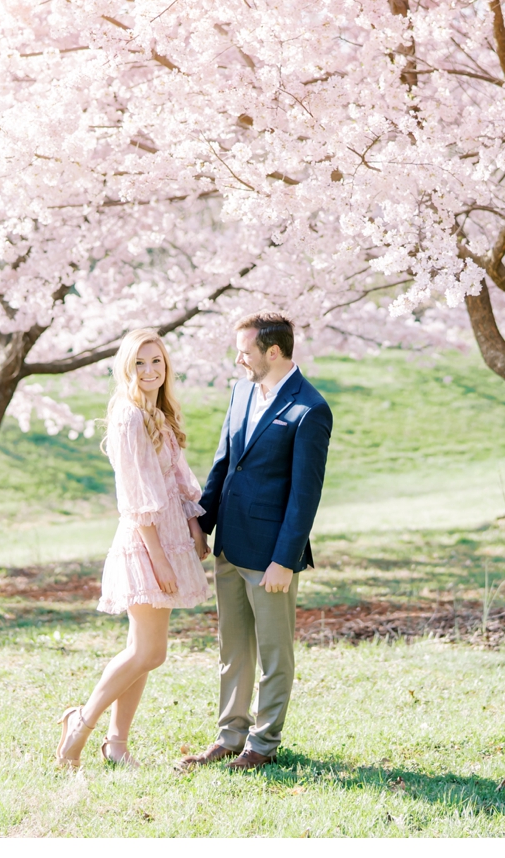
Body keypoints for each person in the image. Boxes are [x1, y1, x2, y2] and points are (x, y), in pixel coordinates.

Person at [178, 311, 332, 772]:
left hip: (270, 558)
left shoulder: (311, 409)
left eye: (245, 351)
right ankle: (230, 736)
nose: (239, 359)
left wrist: (285, 560)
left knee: (274, 653)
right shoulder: (242, 391)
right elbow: (224, 463)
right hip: (230, 545)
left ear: (274, 351)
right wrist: (202, 523)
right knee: (233, 649)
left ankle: (262, 745)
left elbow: (305, 497)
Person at [54, 328, 212, 768]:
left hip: (170, 534)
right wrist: (159, 556)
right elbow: (136, 494)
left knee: (142, 648)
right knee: (149, 652)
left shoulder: (158, 412)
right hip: (146, 541)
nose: (149, 371)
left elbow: (177, 477)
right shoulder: (128, 416)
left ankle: (117, 745)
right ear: (127, 368)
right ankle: (80, 724)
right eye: (140, 363)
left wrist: (194, 524)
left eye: (156, 362)